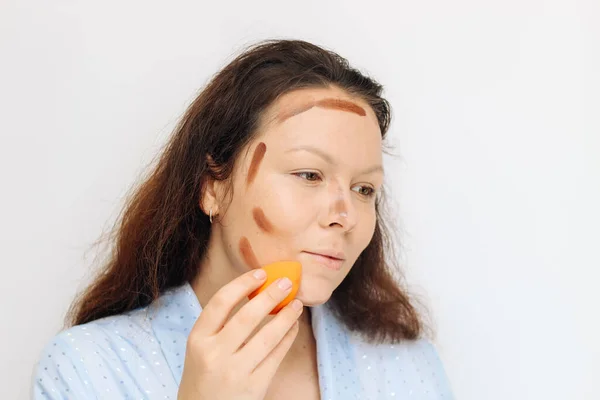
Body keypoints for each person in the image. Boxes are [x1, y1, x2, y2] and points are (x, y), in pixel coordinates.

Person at [32, 39, 454, 399]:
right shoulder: (88, 368)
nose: (345, 216)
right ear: (211, 187)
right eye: (309, 175)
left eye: (364, 190)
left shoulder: (406, 367)